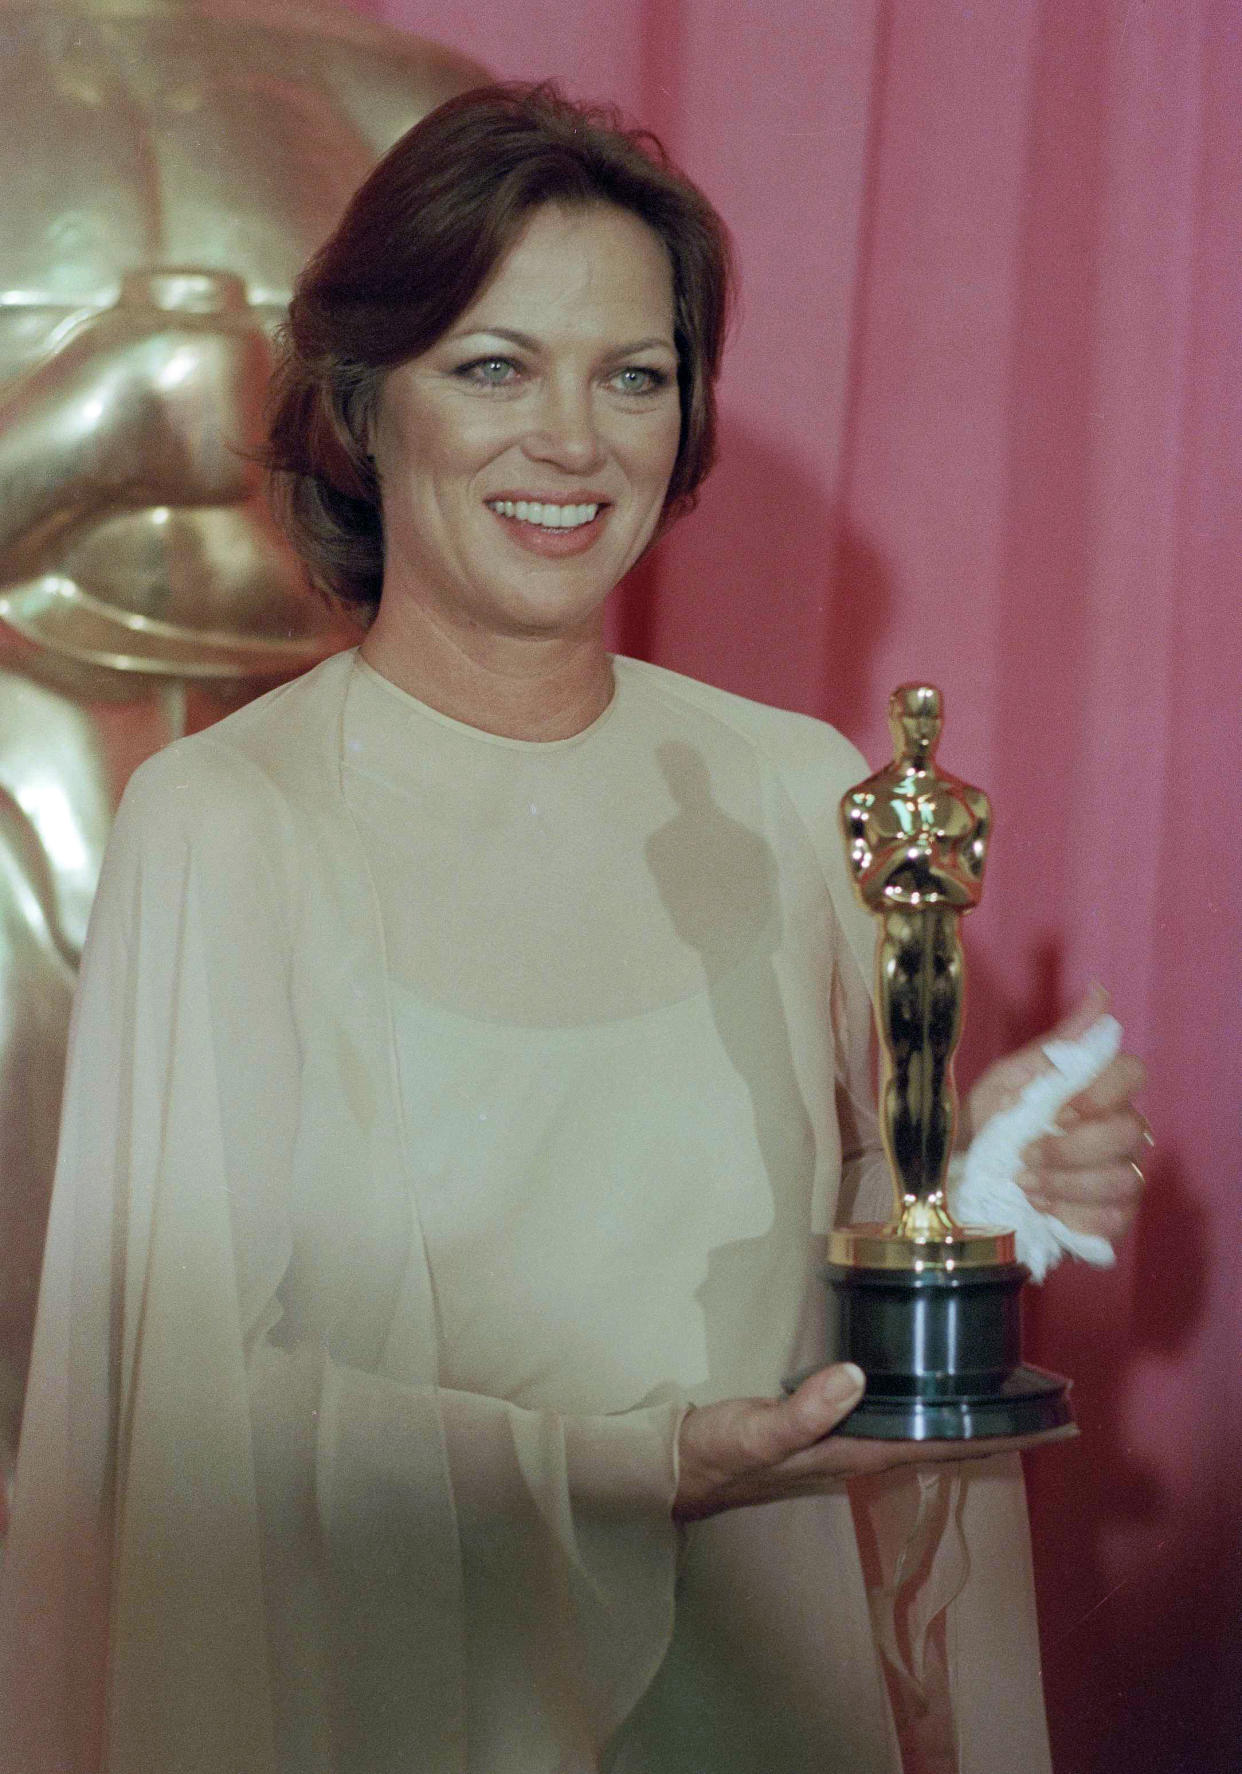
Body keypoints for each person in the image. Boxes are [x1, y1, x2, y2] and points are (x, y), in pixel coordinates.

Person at [0, 85, 1148, 1774]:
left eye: (634, 374)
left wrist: (962, 1198)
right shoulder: (225, 824)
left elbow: (847, 1295)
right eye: (494, 366)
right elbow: (191, 1436)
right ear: (358, 404)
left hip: (778, 1711)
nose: (574, 439)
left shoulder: (792, 791)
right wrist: (648, 1461)